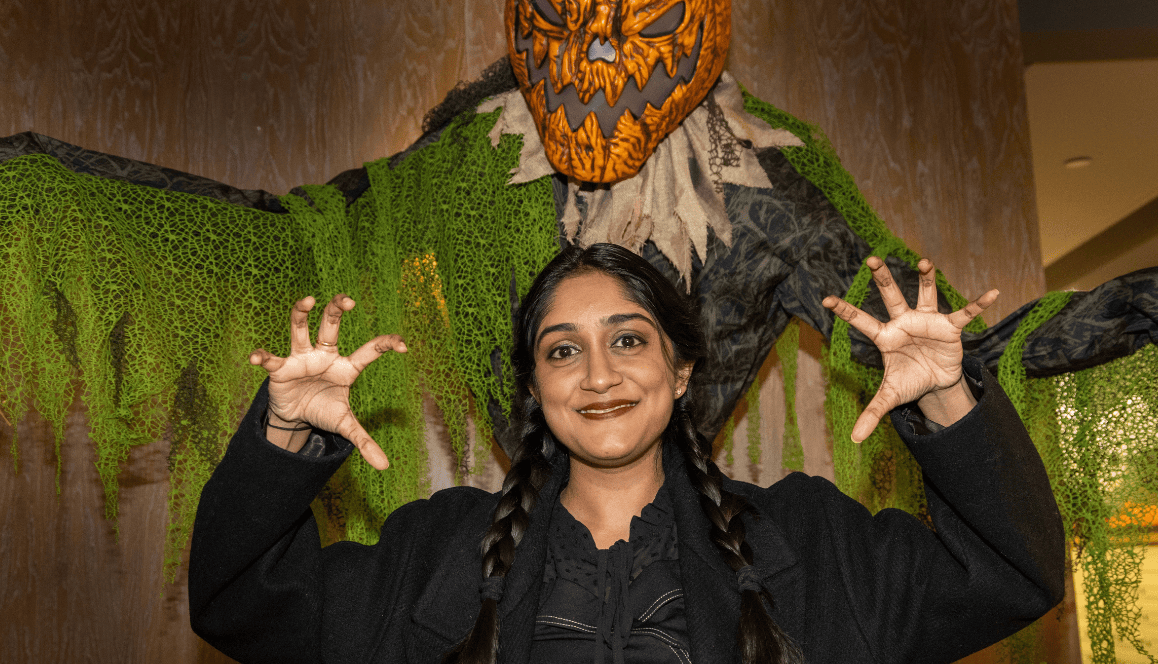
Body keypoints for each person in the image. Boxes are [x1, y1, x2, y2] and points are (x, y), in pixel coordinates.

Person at [188, 243, 1064, 664]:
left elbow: (1008, 574)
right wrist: (285, 431)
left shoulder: (809, 544)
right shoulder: (435, 554)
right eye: (562, 350)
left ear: (682, 371)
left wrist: (948, 395)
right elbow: (241, 603)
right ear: (535, 388)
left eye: (629, 341)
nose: (598, 374)